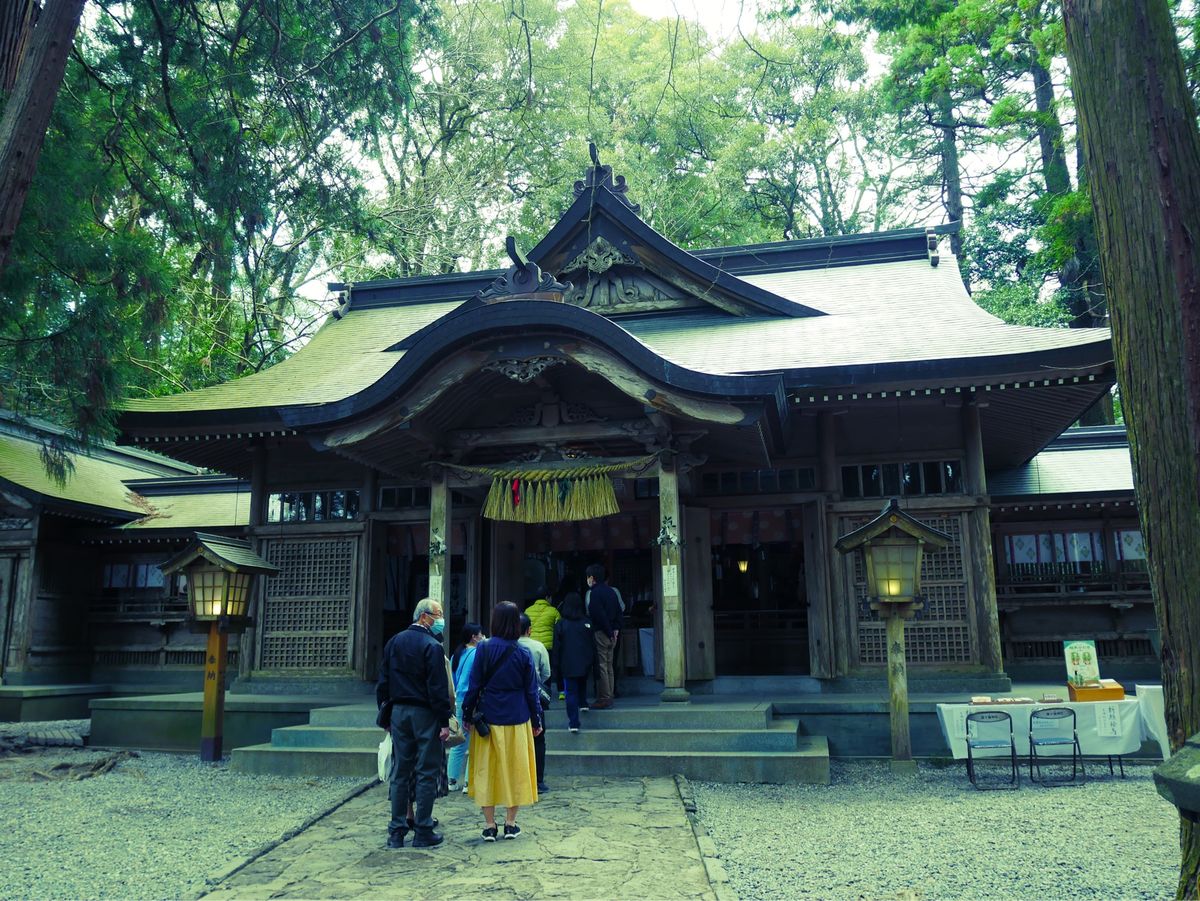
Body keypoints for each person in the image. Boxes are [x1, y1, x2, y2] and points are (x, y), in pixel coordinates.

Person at [463, 601, 543, 841]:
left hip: (488, 720)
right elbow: (532, 691)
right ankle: (510, 822)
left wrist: (467, 714)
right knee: (515, 769)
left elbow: (474, 685)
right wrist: (537, 719)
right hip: (517, 719)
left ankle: (489, 825)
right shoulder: (523, 653)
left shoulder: (483, 650)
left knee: (487, 770)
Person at [375, 597, 452, 849]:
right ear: (424, 616)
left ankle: (396, 832)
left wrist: (385, 715)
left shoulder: (394, 642)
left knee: (400, 771)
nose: (440, 619)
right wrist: (444, 720)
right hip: (425, 713)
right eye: (437, 614)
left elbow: (383, 682)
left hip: (398, 711)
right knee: (426, 771)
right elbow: (438, 688)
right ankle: (423, 828)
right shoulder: (432, 646)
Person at [447, 622, 484, 792]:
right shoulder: (477, 653)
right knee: (475, 742)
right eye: (480, 634)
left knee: (459, 741)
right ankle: (469, 781)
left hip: (458, 700)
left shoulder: (456, 654)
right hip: (472, 699)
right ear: (474, 637)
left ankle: (452, 780)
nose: (482, 637)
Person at [518, 612, 552, 793]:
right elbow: (547, 674)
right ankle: (538, 780)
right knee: (539, 739)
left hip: (513, 700)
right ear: (529, 629)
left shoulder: (505, 646)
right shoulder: (538, 647)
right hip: (534, 696)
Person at [552, 591, 594, 733]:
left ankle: (574, 722)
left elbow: (556, 647)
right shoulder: (587, 622)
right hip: (585, 660)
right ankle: (583, 703)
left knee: (570, 692)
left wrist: (555, 665)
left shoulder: (561, 624)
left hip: (567, 663)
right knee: (582, 682)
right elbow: (592, 644)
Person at [586, 563, 621, 709]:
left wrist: (608, 631)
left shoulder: (595, 593)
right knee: (609, 665)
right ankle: (610, 695)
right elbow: (619, 611)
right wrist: (615, 630)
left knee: (601, 665)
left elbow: (597, 614)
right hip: (613, 633)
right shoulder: (612, 591)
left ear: (592, 578)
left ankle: (604, 698)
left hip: (602, 632)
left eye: (587, 577)